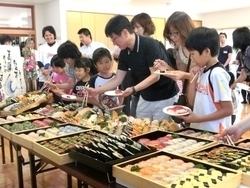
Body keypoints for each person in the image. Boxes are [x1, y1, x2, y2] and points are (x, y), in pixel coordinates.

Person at [86, 15, 178, 121]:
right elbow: (118, 79)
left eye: (114, 38)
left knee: (162, 131)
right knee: (139, 128)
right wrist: (96, 91)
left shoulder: (149, 44)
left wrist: (134, 89)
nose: (114, 43)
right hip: (146, 95)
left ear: (125, 33)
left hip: (164, 96)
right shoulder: (124, 52)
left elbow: (155, 76)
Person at [180, 27, 233, 133]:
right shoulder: (203, 70)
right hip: (201, 130)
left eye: (193, 53)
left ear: (206, 52)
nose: (191, 58)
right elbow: (192, 102)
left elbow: (228, 110)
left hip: (214, 133)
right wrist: (193, 79)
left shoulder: (217, 74)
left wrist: (197, 119)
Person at [153, 11, 195, 95]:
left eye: (176, 33)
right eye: (170, 34)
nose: (172, 37)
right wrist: (167, 68)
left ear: (185, 29)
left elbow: (204, 77)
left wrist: (184, 75)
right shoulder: (177, 50)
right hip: (188, 94)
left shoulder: (198, 48)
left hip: (202, 95)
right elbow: (179, 74)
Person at [129, 12, 156, 117]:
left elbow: (155, 74)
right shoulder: (135, 47)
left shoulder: (154, 45)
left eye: (138, 27)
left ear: (146, 27)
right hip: (137, 88)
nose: (135, 31)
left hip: (151, 93)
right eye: (133, 28)